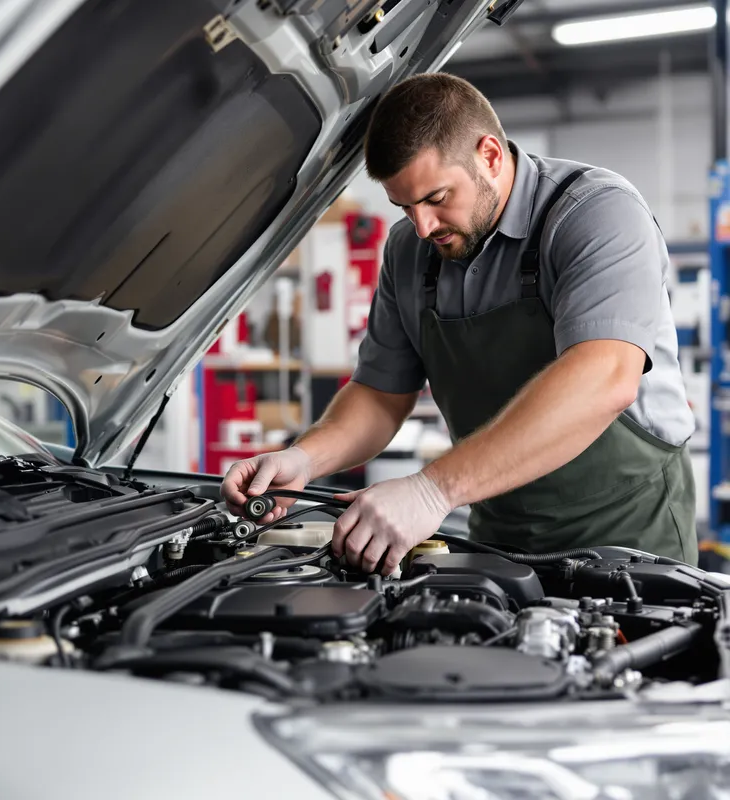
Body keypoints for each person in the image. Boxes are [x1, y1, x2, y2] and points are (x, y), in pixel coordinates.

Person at [221, 73, 698, 572]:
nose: (423, 226)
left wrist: (431, 491)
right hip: (498, 540)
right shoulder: (409, 251)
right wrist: (304, 460)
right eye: (404, 207)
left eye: (435, 198)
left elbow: (604, 378)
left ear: (490, 156)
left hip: (630, 540)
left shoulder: (596, 213)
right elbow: (380, 396)